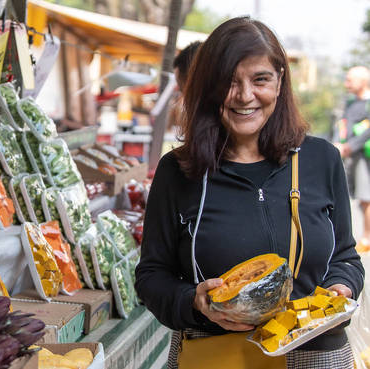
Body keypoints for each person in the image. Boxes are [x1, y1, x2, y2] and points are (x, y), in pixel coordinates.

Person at [135, 16, 364, 369]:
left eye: (261, 79)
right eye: (229, 82)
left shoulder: (321, 160)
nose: (245, 96)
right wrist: (194, 303)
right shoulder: (178, 171)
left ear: (280, 81)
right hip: (214, 357)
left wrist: (341, 288)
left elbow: (346, 258)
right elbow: (151, 277)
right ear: (209, 88)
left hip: (318, 356)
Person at [334, 66, 370, 251]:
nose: (346, 83)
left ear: (362, 81)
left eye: (350, 80)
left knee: (366, 197)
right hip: (351, 156)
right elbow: (343, 126)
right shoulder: (350, 103)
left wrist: (349, 146)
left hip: (364, 155)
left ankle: (367, 239)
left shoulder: (368, 102)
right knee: (358, 197)